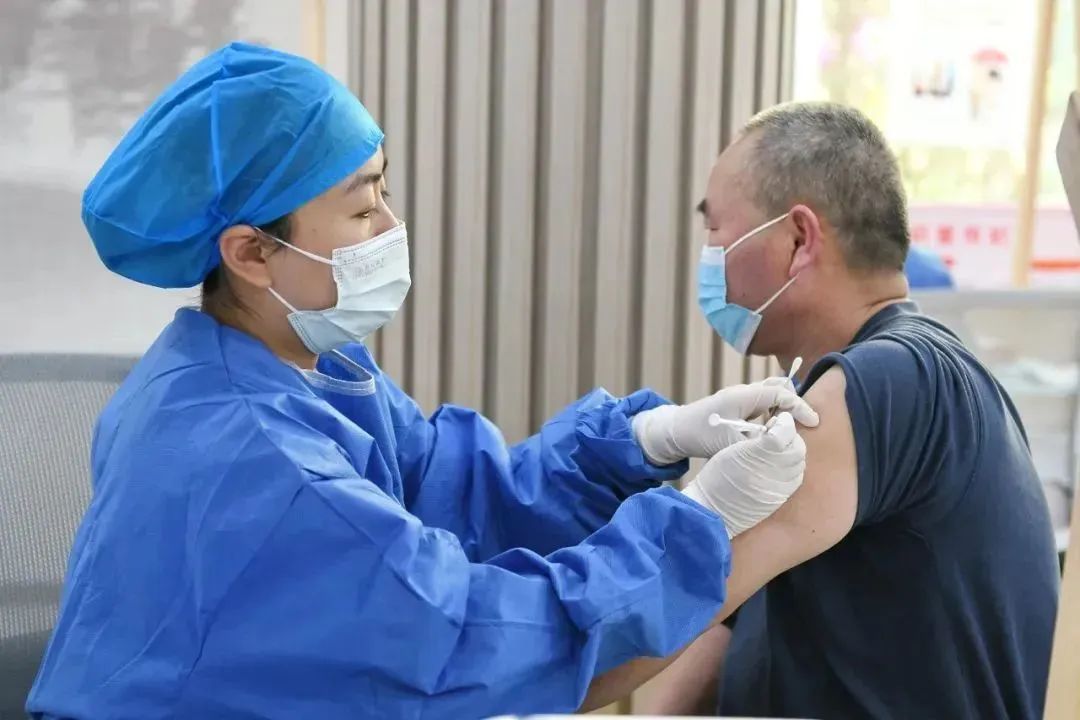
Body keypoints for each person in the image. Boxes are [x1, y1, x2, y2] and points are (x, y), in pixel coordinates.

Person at [26, 44, 820, 720]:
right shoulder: (265, 463)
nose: (391, 226)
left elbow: (461, 492)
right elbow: (469, 634)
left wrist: (645, 441)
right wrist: (699, 520)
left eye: (385, 189)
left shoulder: (299, 367)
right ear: (251, 253)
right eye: (361, 209)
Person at [639, 102, 1060, 719]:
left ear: (798, 239)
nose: (711, 254)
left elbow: (671, 600)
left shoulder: (893, 381)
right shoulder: (866, 380)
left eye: (717, 229)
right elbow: (726, 616)